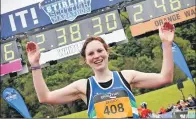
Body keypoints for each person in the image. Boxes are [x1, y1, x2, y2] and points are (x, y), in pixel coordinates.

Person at [26, 22, 175, 118]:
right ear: (85, 60)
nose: (96, 56)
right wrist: (35, 64)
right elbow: (45, 97)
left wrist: (167, 44)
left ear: (107, 52)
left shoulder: (127, 76)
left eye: (99, 51)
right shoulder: (83, 86)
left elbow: (165, 78)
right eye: (91, 53)